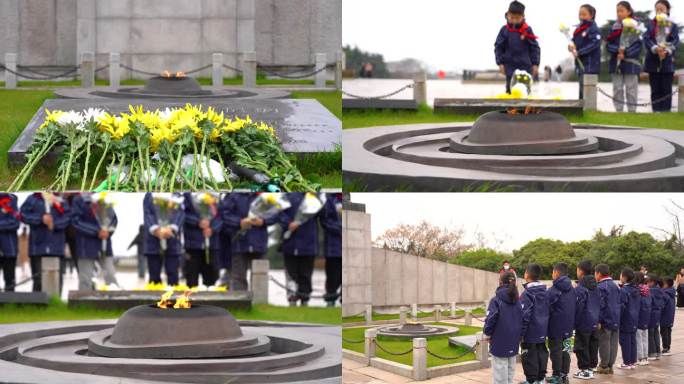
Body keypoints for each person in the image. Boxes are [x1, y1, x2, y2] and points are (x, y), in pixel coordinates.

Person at [220, 193, 275, 291]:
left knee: (260, 277)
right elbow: (223, 214)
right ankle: (240, 303)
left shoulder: (265, 195)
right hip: (239, 242)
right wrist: (239, 222)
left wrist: (263, 222)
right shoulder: (232, 195)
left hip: (259, 243)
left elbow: (276, 214)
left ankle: (259, 303)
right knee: (238, 277)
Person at [20, 193, 71, 293]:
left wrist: (54, 224)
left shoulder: (61, 200)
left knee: (57, 280)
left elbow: (68, 218)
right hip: (37, 247)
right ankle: (38, 306)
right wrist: (40, 219)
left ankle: (55, 304)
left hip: (56, 247)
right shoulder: (32, 198)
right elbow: (22, 215)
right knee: (38, 280)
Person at [281, 193, 323, 307]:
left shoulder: (316, 197)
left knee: (306, 274)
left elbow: (324, 216)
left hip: (309, 244)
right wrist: (288, 224)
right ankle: (292, 299)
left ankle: (305, 300)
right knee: (291, 274)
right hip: (290, 243)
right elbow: (280, 213)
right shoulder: (287, 196)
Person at [71, 194, 119, 291]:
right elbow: (75, 221)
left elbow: (114, 218)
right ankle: (84, 303)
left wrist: (108, 231)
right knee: (86, 279)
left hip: (105, 244)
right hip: (86, 246)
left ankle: (112, 302)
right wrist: (97, 231)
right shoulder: (78, 199)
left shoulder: (104, 197)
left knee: (110, 275)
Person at [484, 271, 523, 384]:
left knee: (499, 373)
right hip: (514, 341)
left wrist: (487, 333)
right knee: (510, 372)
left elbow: (491, 319)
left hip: (499, 341)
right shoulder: (518, 301)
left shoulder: (496, 300)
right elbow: (522, 320)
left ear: (500, 282)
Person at [494, 1, 540, 94]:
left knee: (525, 92)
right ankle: (510, 109)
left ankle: (525, 109)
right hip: (509, 68)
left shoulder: (527, 30)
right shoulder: (504, 30)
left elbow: (534, 47)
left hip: (525, 68)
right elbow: (498, 47)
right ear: (507, 15)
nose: (514, 20)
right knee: (510, 92)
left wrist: (535, 64)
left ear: (523, 17)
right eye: (512, 18)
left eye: (517, 18)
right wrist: (500, 63)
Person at [606, 1, 643, 112]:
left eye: (621, 11)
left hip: (631, 63)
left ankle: (632, 111)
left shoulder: (637, 27)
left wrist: (625, 52)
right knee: (617, 88)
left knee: (631, 89)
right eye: (617, 11)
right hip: (616, 62)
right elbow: (608, 44)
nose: (619, 13)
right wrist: (617, 51)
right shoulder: (614, 27)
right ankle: (619, 111)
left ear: (629, 11)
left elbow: (638, 45)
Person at [644, 0, 679, 112]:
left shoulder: (672, 25)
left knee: (666, 88)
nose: (659, 12)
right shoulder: (651, 24)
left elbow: (675, 40)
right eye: (657, 9)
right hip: (653, 61)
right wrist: (655, 48)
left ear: (667, 10)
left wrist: (666, 50)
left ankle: (666, 111)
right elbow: (647, 38)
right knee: (655, 89)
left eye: (661, 9)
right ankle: (656, 111)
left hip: (667, 61)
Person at [143, 193, 184, 286]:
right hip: (153, 241)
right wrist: (156, 230)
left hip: (172, 240)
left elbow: (180, 213)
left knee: (173, 275)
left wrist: (171, 229)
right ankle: (155, 300)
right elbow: (147, 213)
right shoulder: (149, 195)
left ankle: (174, 299)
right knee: (154, 278)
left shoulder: (177, 195)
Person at [546, 262, 576, 384]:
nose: (552, 274)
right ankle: (564, 375)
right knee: (566, 350)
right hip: (568, 327)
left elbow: (546, 308)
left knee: (555, 351)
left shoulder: (553, 290)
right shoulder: (573, 289)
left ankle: (557, 375)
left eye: (553, 272)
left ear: (556, 273)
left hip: (555, 327)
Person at [182, 193, 222, 288]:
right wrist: (198, 222)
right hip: (193, 244)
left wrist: (212, 229)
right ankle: (190, 301)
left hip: (212, 244)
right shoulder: (186, 196)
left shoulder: (215, 195)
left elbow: (221, 216)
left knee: (211, 278)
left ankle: (209, 301)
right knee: (191, 278)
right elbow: (181, 213)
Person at [519, 263, 549, 384]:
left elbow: (524, 316)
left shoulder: (527, 294)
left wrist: (521, 333)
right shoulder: (546, 292)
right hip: (543, 330)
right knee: (541, 353)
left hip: (530, 332)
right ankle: (540, 379)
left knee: (529, 356)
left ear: (527, 274)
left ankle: (531, 380)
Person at [573, 260, 600, 380]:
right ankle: (591, 369)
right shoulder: (596, 286)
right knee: (593, 345)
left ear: (580, 271)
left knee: (582, 346)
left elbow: (578, 307)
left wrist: (574, 322)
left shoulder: (581, 288)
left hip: (583, 321)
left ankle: (585, 370)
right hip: (594, 320)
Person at [570, 4, 602, 99]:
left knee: (588, 91)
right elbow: (574, 42)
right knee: (581, 88)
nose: (581, 17)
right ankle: (582, 110)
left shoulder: (594, 29)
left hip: (590, 65)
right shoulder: (578, 29)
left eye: (584, 14)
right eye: (580, 14)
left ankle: (588, 110)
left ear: (591, 15)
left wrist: (579, 52)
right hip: (580, 64)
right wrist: (571, 47)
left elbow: (594, 44)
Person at [595, 263, 621, 374]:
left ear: (599, 274)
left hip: (606, 319)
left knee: (604, 342)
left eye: (595, 273)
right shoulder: (616, 286)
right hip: (616, 317)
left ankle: (604, 365)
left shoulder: (601, 287)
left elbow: (600, 305)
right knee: (614, 342)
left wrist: (599, 320)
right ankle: (610, 365)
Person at [320, 193, 342, 307]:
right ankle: (330, 300)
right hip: (333, 248)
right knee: (332, 276)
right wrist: (341, 228)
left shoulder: (347, 200)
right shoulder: (328, 200)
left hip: (350, 249)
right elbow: (325, 221)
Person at [618, 267, 640, 369]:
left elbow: (621, 306)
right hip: (635, 318)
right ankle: (632, 362)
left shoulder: (624, 290)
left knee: (625, 341)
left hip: (626, 319)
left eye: (621, 274)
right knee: (632, 340)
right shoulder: (636, 289)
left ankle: (626, 363)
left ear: (624, 277)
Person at [0, 193, 21, 291]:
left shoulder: (11, 200)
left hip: (9, 248)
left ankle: (9, 304)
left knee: (9, 282)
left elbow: (15, 222)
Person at [635, 271, 652, 365]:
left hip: (639, 317)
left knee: (638, 338)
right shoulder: (647, 290)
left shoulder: (638, 290)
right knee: (645, 338)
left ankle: (640, 358)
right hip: (646, 317)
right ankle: (645, 357)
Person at [647, 274, 664, 359]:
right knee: (656, 333)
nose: (646, 284)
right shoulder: (660, 290)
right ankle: (657, 351)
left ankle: (652, 352)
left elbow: (649, 303)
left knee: (650, 334)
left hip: (651, 314)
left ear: (652, 282)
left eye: (647, 282)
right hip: (658, 313)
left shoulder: (651, 291)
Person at [660, 277, 676, 355]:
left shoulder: (665, 293)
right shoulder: (672, 292)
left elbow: (662, 305)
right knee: (668, 332)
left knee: (664, 333)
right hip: (670, 317)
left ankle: (665, 348)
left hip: (664, 317)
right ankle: (667, 347)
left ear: (666, 284)